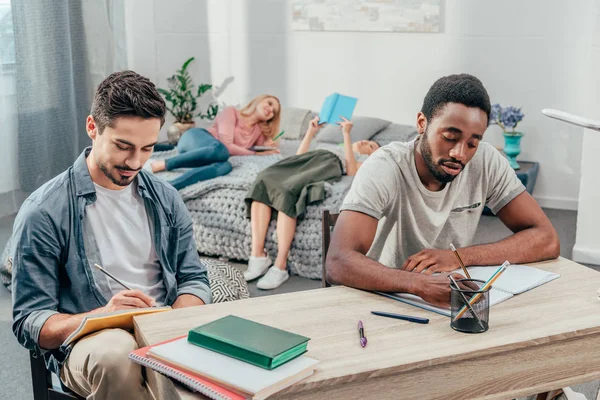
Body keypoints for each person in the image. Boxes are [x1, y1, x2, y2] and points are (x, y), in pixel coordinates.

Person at [11, 70, 212, 399]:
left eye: (148, 148)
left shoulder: (166, 199)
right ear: (93, 127)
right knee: (117, 356)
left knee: (189, 361)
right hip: (93, 339)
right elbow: (30, 321)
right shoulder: (44, 211)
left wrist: (174, 320)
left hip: (161, 324)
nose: (135, 162)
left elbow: (193, 278)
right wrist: (102, 315)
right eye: (123, 146)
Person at [326, 73, 560, 307]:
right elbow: (338, 261)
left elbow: (547, 240)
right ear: (421, 123)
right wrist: (419, 284)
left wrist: (459, 257)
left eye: (472, 143)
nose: (460, 153)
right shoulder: (385, 166)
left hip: (446, 297)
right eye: (449, 137)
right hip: (384, 299)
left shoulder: (486, 161)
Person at [244, 116, 380, 289]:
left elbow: (351, 171)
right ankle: (258, 256)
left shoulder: (360, 159)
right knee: (262, 181)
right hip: (305, 160)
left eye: (371, 146)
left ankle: (280, 266)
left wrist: (347, 135)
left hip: (325, 163)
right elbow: (299, 156)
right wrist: (311, 132)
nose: (365, 143)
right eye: (366, 141)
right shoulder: (330, 146)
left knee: (289, 189)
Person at [150, 94, 282, 189]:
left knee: (226, 166)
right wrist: (254, 154)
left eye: (273, 112)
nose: (270, 110)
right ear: (259, 100)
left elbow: (258, 149)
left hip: (213, 156)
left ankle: (171, 187)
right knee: (221, 150)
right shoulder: (232, 112)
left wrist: (269, 146)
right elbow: (227, 145)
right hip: (196, 138)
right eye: (270, 103)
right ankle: (165, 163)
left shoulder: (258, 131)